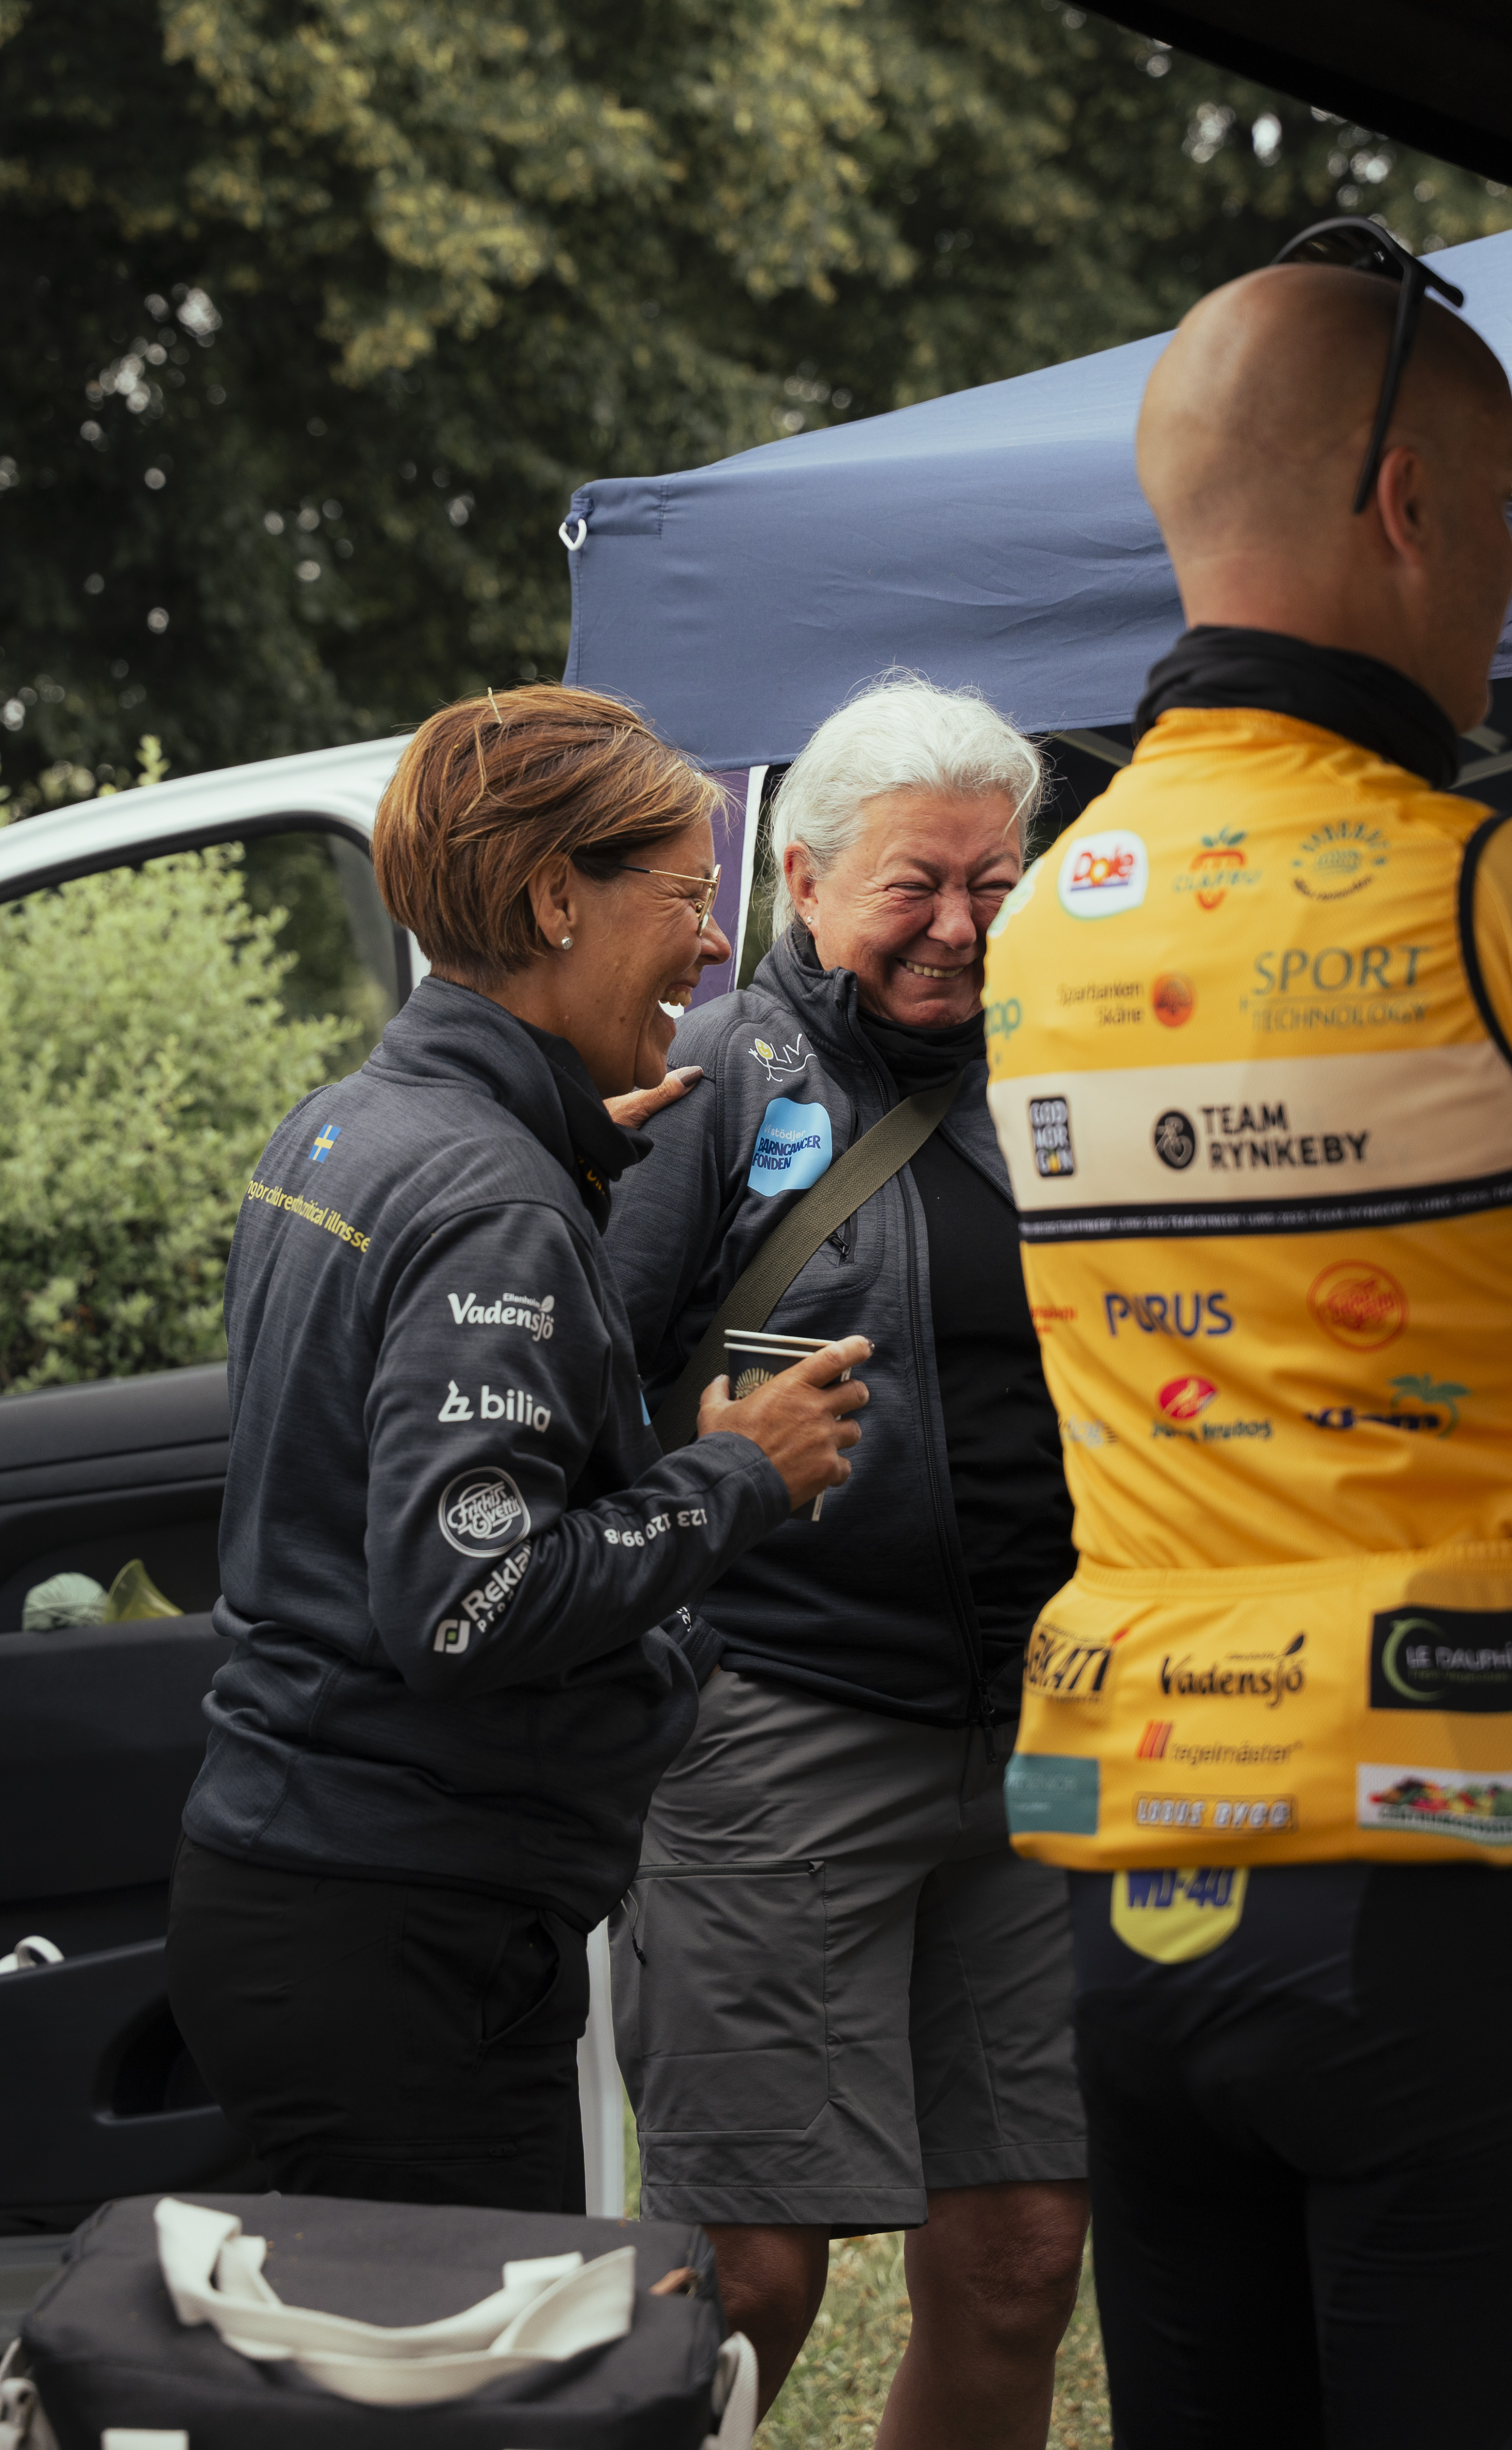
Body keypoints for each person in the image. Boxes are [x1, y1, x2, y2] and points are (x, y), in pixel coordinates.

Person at [983, 228, 1512, 2446]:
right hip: (1494, 1870)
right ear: (1402, 503)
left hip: (1141, 1863)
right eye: (1499, 514)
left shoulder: (1040, 919)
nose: (1505, 574)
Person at [165, 684, 871, 2211]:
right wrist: (741, 1473)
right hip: (410, 1934)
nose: (713, 945)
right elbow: (466, 1602)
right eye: (685, 893)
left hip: (286, 1880)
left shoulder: (347, 1125)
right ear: (558, 899)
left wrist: (568, 1152)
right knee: (491, 2356)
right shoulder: (491, 1197)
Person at [604, 674, 1090, 2448]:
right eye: (915, 886)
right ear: (801, 881)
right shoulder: (714, 1078)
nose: (960, 925)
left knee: (1026, 2254)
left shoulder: (1068, 1064)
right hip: (780, 1730)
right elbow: (580, 1393)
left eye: (994, 881)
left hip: (1036, 1738)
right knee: (749, 2276)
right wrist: (702, 1494)